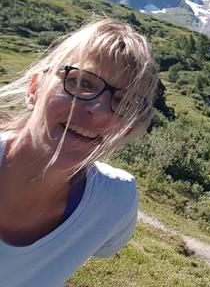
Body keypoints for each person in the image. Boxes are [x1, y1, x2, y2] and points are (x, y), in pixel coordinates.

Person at [0, 18, 158, 286]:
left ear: (130, 129)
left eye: (123, 103)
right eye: (81, 82)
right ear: (35, 89)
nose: (97, 110)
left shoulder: (114, 202)